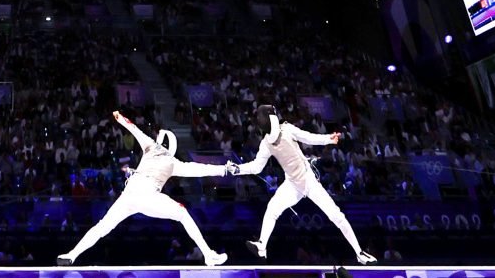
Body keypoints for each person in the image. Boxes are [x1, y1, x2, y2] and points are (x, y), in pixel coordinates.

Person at [58, 109, 234, 265]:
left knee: (103, 226)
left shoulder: (151, 147)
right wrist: (225, 170)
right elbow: (202, 169)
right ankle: (208, 255)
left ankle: (71, 255)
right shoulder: (172, 162)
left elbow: (133, 128)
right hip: (147, 196)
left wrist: (119, 118)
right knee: (182, 213)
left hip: (130, 195)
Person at [239, 104, 375, 263]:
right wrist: (237, 169)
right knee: (272, 209)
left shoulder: (287, 129)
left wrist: (328, 139)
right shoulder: (266, 144)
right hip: (291, 185)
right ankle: (262, 246)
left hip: (308, 181)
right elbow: (256, 167)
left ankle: (359, 254)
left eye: (260, 116)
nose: (258, 120)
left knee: (336, 216)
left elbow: (308, 137)